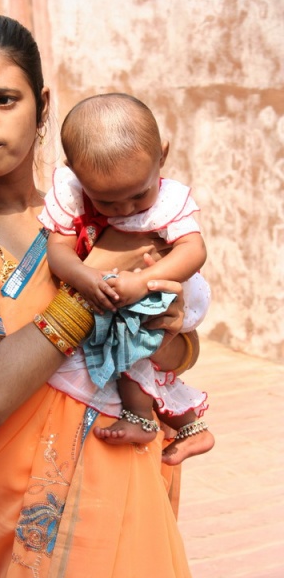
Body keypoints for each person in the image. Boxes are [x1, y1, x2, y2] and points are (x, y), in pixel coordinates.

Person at [0, 13, 199, 578]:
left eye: (3, 99)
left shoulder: (100, 209)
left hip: (133, 479)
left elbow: (175, 356)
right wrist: (97, 279)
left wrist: (169, 328)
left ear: (41, 107)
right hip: (39, 513)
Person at [39, 93, 214, 461]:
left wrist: (143, 281)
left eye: (138, 195)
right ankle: (189, 426)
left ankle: (142, 418)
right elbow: (58, 250)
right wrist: (83, 275)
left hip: (169, 286)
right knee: (131, 347)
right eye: (106, 201)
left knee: (134, 342)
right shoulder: (71, 195)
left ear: (162, 156)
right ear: (75, 171)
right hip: (121, 290)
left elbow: (194, 251)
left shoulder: (167, 200)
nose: (125, 208)